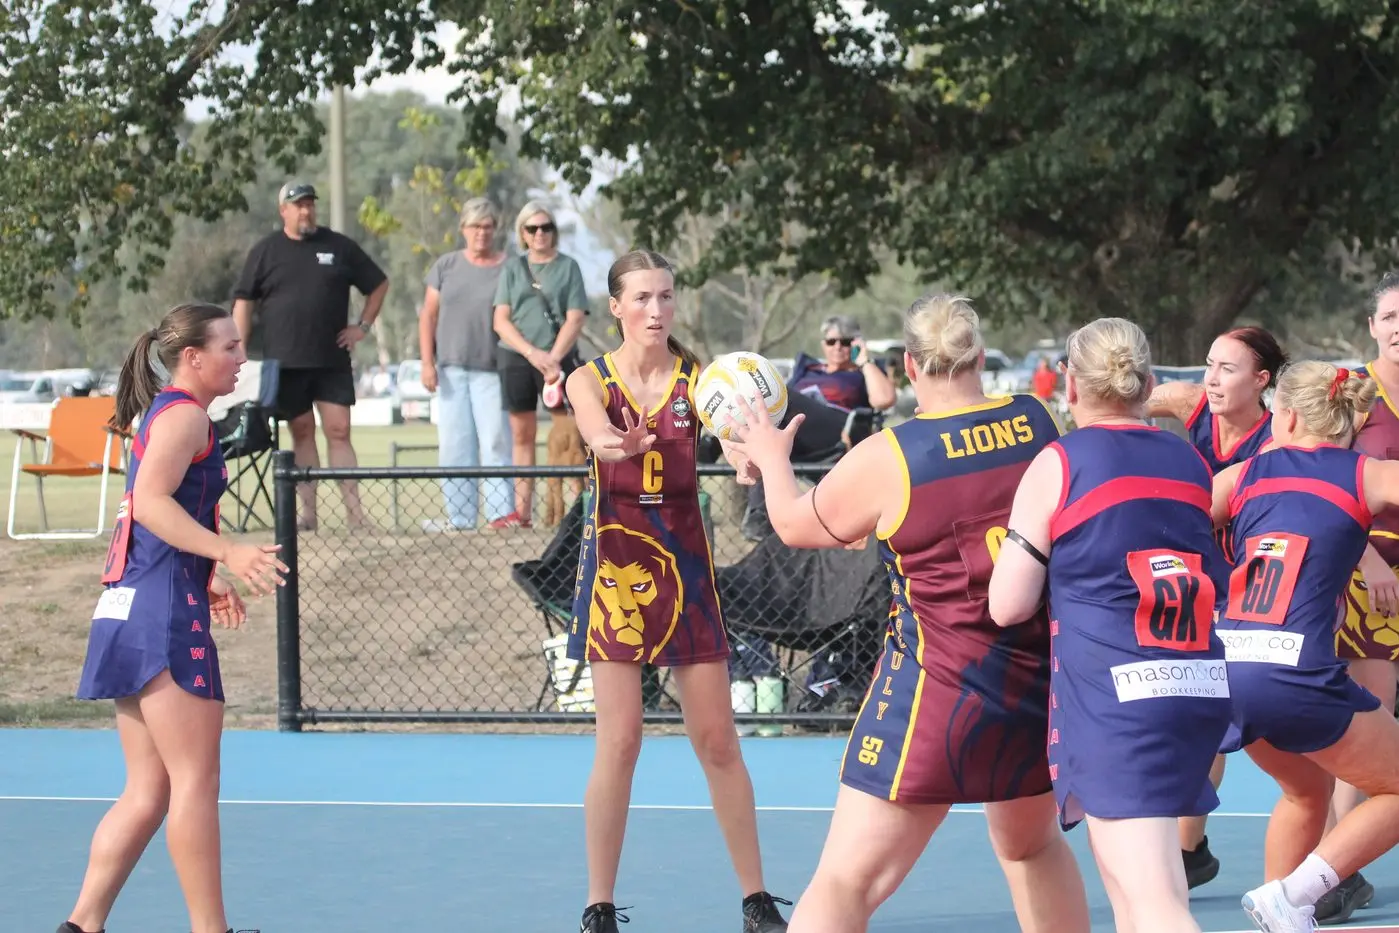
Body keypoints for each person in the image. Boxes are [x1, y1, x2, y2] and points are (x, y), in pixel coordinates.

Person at [723, 294, 1090, 933]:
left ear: (912, 366)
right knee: (1031, 847)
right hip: (1033, 684)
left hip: (938, 694)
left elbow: (794, 524)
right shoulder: (1035, 422)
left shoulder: (894, 455)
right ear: (977, 354)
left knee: (845, 884)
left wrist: (770, 458)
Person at [563, 249, 790, 933]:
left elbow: (733, 446)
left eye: (665, 297)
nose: (656, 310)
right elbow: (598, 438)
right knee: (621, 741)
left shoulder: (704, 381)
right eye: (641, 298)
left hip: (687, 571)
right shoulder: (589, 378)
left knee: (718, 740)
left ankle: (755, 900)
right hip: (618, 572)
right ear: (615, 306)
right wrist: (619, 444)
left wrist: (753, 459)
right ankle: (598, 904)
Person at [988, 317, 1232, 933]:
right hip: (1193, 685)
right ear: (1148, 382)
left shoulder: (1061, 462)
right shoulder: (1185, 458)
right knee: (1145, 891)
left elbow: (1008, 604)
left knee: (1153, 905)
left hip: (1119, 697)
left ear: (1069, 385)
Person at [58, 304, 288, 933]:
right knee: (194, 784)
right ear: (193, 357)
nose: (240, 359)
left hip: (131, 606)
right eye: (230, 347)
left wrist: (205, 575)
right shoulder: (186, 415)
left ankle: (81, 925)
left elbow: (146, 516)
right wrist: (228, 552)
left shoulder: (168, 414)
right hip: (160, 615)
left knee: (148, 792)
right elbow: (153, 503)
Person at [1206, 360, 1399, 931]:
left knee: (1305, 790)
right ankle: (1293, 895)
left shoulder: (1240, 477)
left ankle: (1281, 913)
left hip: (1228, 669)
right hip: (1294, 673)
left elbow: (1161, 519)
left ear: (1285, 416)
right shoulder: (1364, 473)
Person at [1145, 325, 1288, 890]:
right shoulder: (1190, 403)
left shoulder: (1280, 436)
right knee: (1200, 713)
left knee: (1264, 726)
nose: (1212, 377)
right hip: (1198, 582)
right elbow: (1124, 402)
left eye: (1228, 368)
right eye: (1209, 364)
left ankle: (1326, 848)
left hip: (1257, 588)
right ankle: (1189, 849)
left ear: (1262, 380)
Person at [231, 180, 389, 531]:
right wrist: (237, 351)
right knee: (301, 432)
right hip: (286, 364)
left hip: (331, 360)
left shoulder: (339, 246)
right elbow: (243, 302)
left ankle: (356, 516)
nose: (306, 210)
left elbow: (378, 284)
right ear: (283, 211)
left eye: (310, 204)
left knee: (339, 429)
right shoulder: (265, 251)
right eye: (298, 205)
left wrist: (362, 326)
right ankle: (309, 516)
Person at [1321, 272, 1399, 922]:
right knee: (1369, 721)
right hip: (1370, 574)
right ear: (1370, 326)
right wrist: (1369, 552)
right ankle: (1335, 871)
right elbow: (1319, 477)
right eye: (1390, 315)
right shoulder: (1350, 394)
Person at [418, 196, 515, 531]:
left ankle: (500, 516)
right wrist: (427, 363)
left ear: (495, 229)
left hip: (492, 369)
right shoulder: (446, 266)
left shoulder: (508, 267)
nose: (481, 233)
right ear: (463, 229)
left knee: (495, 442)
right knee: (455, 445)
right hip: (451, 369)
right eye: (475, 226)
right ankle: (459, 518)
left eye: (487, 226)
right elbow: (428, 317)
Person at [493, 199, 590, 527]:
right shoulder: (511, 268)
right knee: (522, 435)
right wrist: (533, 354)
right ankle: (523, 513)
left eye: (545, 227)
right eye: (532, 228)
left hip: (559, 359)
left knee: (571, 434)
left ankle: (579, 510)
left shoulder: (568, 267)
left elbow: (576, 317)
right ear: (522, 233)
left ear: (553, 232)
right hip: (517, 357)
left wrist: (552, 358)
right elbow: (501, 319)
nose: (539, 234)